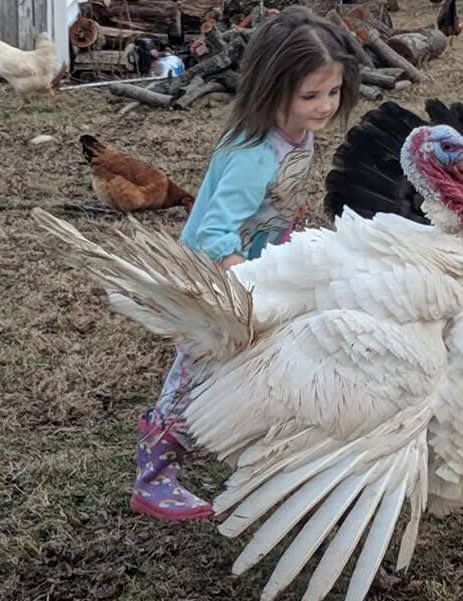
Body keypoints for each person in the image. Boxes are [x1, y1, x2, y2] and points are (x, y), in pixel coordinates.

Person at [129, 5, 361, 522]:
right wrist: (251, 286)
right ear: (271, 89)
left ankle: (259, 457)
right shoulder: (253, 154)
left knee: (254, 369)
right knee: (196, 372)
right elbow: (214, 232)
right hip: (216, 281)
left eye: (333, 92)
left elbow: (275, 209)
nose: (324, 106)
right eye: (310, 96)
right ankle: (154, 478)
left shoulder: (297, 131)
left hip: (257, 272)